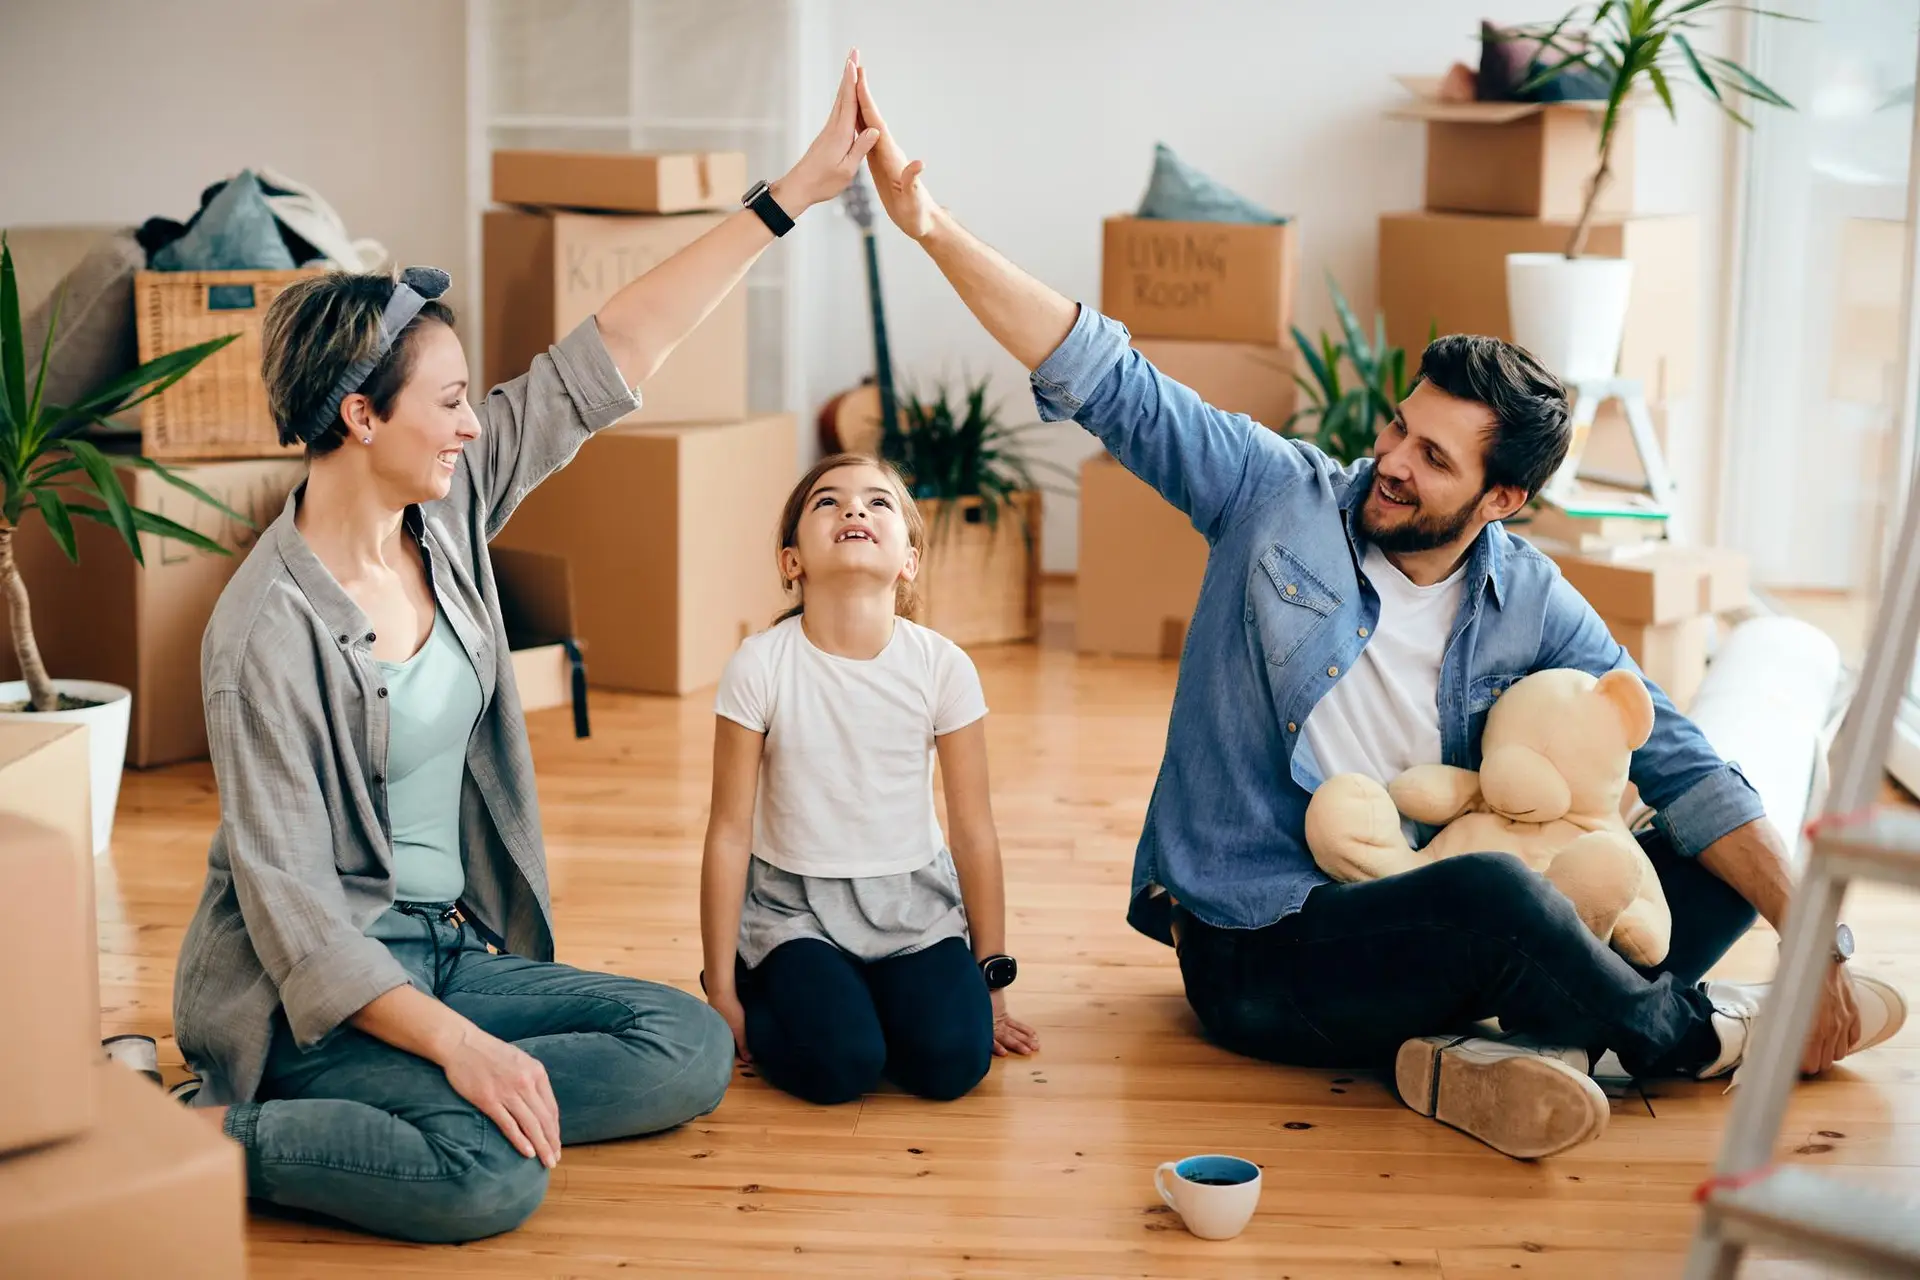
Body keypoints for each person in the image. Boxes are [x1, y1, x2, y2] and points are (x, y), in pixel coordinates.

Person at [848, 64, 1908, 1159]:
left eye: (1431, 457)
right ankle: (1688, 1041)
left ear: (1504, 501)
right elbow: (1102, 373)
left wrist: (1816, 938)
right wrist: (928, 226)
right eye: (1399, 427)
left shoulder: (1527, 591)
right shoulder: (1276, 497)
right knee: (1495, 894)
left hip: (1423, 916)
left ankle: (1495, 1051)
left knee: (1708, 869)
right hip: (1269, 951)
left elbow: (1683, 764)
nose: (1389, 462)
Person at [169, 53, 882, 1242]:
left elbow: (605, 357)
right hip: (314, 999)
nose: (470, 420)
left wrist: (793, 193)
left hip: (449, 950)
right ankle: (214, 1130)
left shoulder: (437, 511)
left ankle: (445, 1102)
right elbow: (299, 919)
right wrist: (464, 1053)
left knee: (691, 1043)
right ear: (359, 415)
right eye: (446, 399)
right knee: (491, 1182)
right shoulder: (261, 632)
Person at [698, 454, 1040, 1106]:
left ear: (909, 559)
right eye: (827, 501)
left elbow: (973, 831)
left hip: (912, 908)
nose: (854, 509)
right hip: (794, 911)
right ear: (791, 561)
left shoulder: (943, 666)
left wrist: (990, 979)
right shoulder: (759, 666)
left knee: (953, 1065)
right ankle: (779, 981)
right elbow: (727, 831)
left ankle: (870, 998)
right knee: (841, 1068)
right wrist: (721, 989)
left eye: (878, 501)